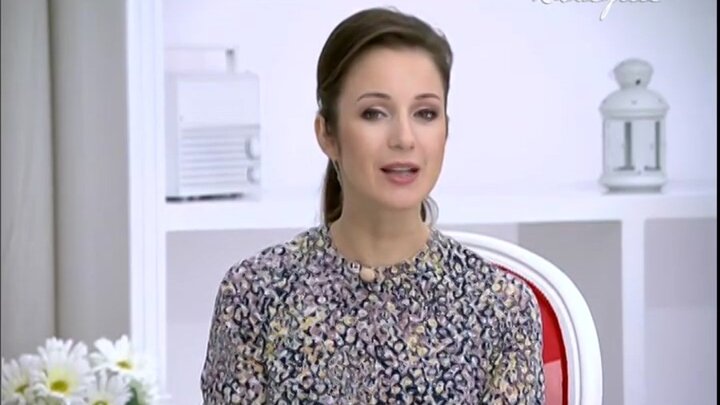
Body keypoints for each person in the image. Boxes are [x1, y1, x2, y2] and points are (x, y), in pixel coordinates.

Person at [200, 6, 545, 404]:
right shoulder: (253, 294)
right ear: (327, 134)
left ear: (446, 130)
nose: (404, 138)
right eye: (374, 113)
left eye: (425, 113)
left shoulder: (501, 307)